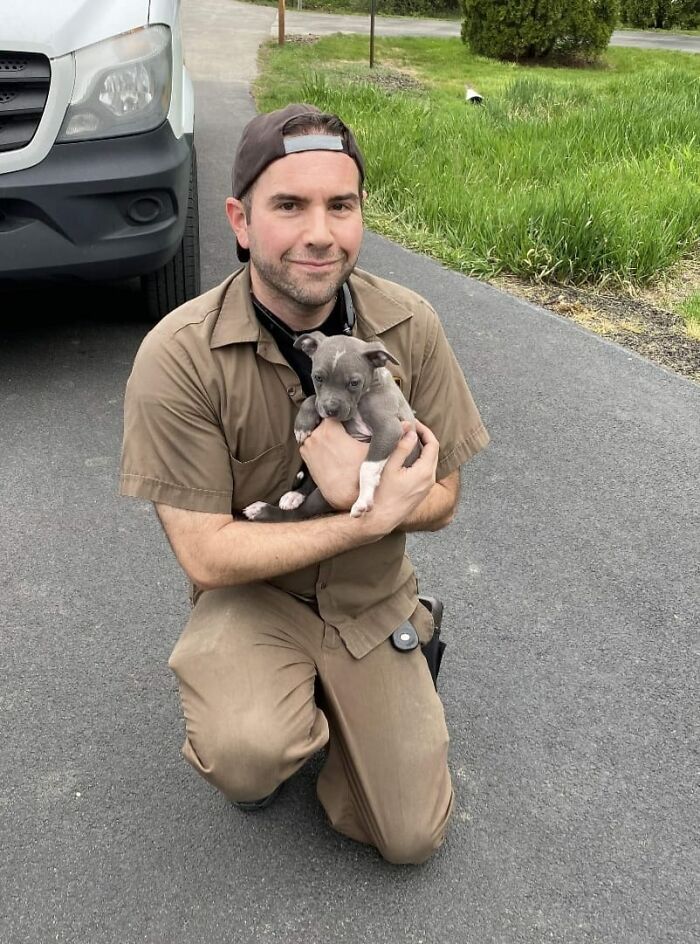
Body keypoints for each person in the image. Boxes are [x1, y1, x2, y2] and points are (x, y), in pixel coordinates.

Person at [120, 103, 489, 865]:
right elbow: (206, 556)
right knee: (249, 755)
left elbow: (446, 498)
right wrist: (362, 516)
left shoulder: (409, 326)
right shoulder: (180, 355)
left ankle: (395, 644)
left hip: (369, 597)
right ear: (242, 219)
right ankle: (276, 703)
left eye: (341, 205)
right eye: (289, 204)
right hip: (254, 597)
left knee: (410, 838)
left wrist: (371, 488)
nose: (320, 232)